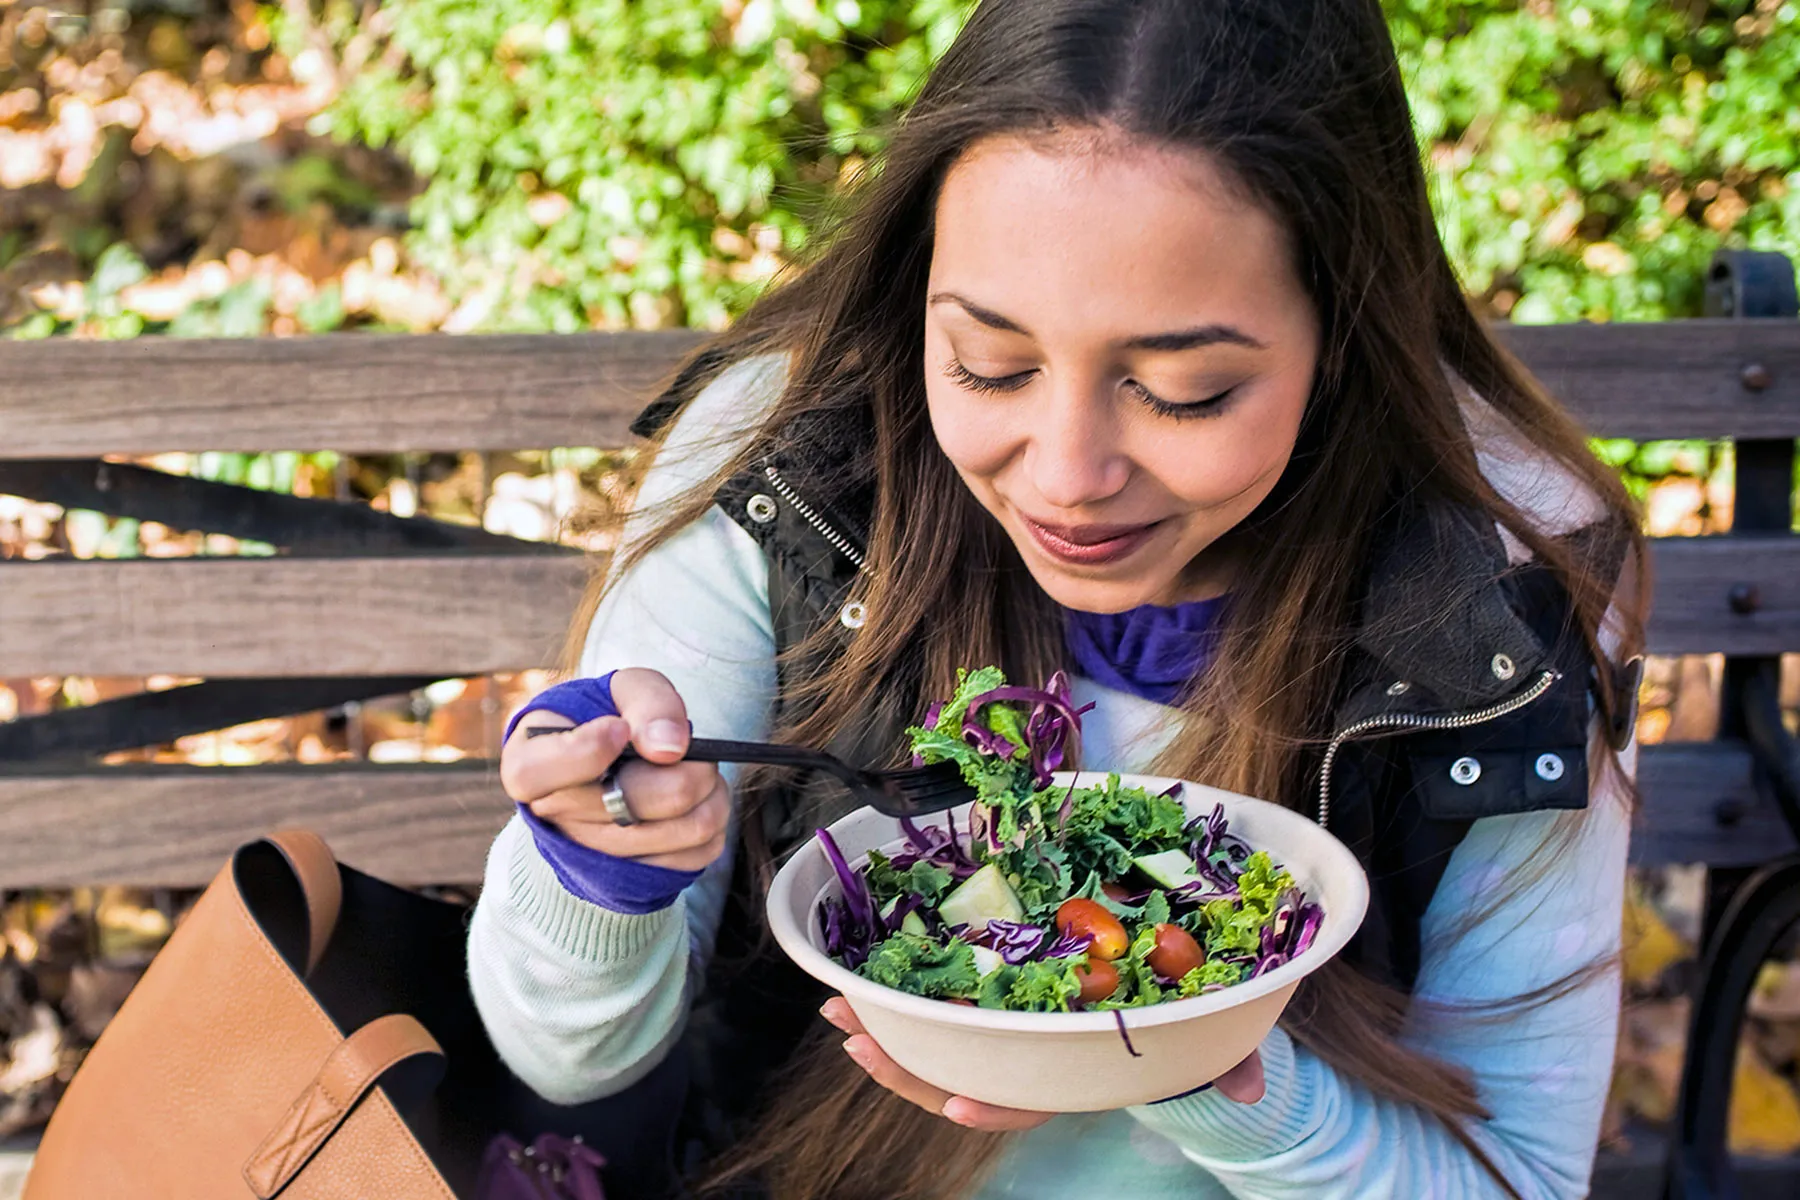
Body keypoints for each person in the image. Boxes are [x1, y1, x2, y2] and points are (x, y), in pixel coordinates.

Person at [469, 1, 1645, 1196]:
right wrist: (599, 863)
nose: (1067, 477)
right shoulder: (783, 467)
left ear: (1342, 335)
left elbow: (1516, 1178)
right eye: (990, 363)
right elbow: (568, 1062)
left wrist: (1212, 1072)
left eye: (1183, 390)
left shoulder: (1497, 596)